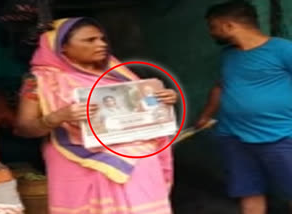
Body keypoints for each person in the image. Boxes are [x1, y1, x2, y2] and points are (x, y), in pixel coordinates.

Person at [15, 17, 177, 214]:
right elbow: (23, 128)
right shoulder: (38, 81)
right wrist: (58, 116)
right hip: (74, 159)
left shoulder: (117, 73)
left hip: (136, 157)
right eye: (89, 40)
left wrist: (161, 101)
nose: (101, 44)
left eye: (102, 39)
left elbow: (140, 110)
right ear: (61, 47)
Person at [196, 1, 292, 214]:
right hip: (234, 136)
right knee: (248, 192)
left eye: (213, 26)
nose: (212, 33)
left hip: (281, 136)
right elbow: (221, 87)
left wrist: (286, 111)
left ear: (228, 26)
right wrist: (205, 116)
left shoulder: (286, 50)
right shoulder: (229, 55)